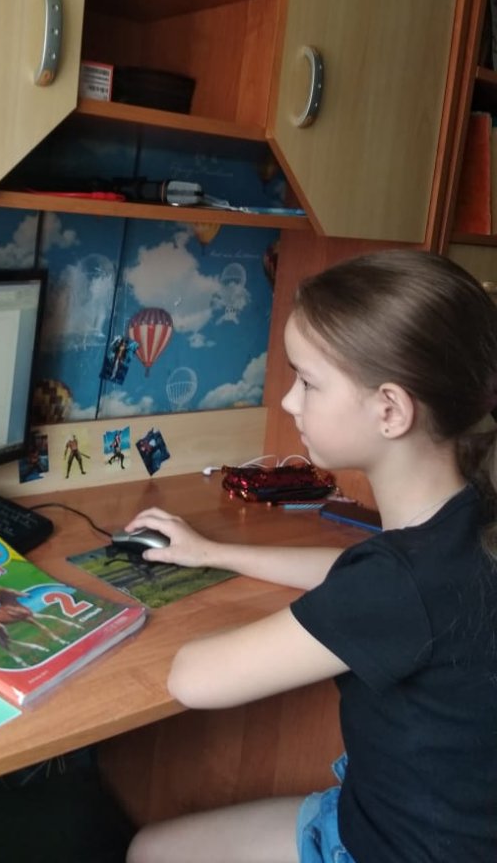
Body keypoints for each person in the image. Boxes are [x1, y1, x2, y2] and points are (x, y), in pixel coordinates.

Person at [123, 249, 497, 863]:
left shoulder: (396, 585)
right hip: (429, 820)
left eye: (308, 382)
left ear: (390, 410)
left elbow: (192, 679)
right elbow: (363, 573)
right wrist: (213, 551)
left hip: (391, 846)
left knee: (149, 851)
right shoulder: (468, 519)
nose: (289, 402)